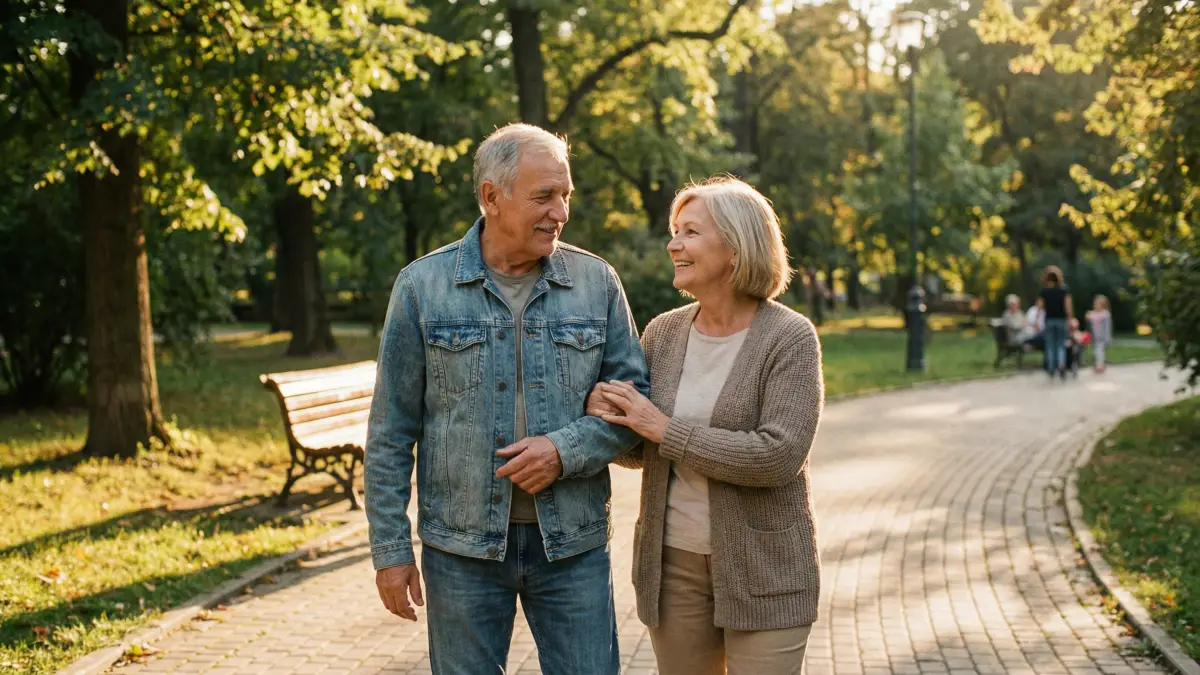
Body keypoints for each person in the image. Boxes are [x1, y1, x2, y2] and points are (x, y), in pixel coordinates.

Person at [364, 123, 650, 675]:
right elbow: (390, 431)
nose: (561, 212)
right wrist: (391, 551)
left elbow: (633, 404)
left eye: (566, 194)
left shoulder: (597, 283)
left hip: (572, 545)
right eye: (544, 196)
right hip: (461, 550)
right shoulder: (422, 287)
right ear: (492, 197)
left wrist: (563, 451)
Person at [588, 176, 824, 675]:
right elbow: (646, 447)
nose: (674, 244)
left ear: (736, 248)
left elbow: (778, 456)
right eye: (675, 231)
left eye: (690, 232)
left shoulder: (789, 338)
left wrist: (660, 426)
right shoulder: (664, 332)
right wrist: (612, 418)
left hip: (765, 566)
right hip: (672, 567)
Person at [1038, 265, 1073, 379]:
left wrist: (1036, 321)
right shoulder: (1064, 291)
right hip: (1061, 320)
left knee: (1050, 345)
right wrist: (1070, 319)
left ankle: (1051, 368)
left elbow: (1040, 307)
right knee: (1061, 344)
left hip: (1049, 320)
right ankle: (1061, 365)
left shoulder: (1044, 292)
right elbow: (1068, 307)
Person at [1087, 295, 1113, 373]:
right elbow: (1090, 321)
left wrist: (1108, 338)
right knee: (1095, 351)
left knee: (1100, 351)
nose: (1096, 305)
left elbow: (1108, 327)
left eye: (1098, 304)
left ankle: (1100, 366)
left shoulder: (1105, 314)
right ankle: (1099, 364)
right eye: (1095, 304)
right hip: (1094, 337)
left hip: (1102, 337)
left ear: (1103, 305)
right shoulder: (1093, 313)